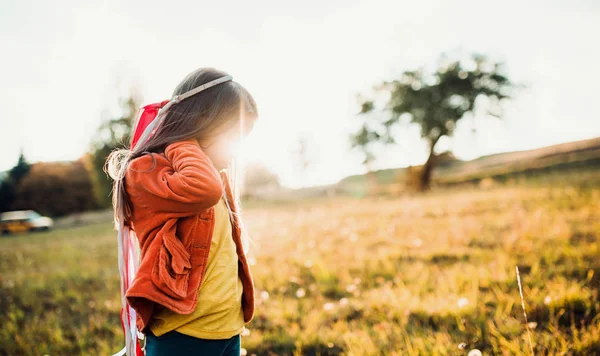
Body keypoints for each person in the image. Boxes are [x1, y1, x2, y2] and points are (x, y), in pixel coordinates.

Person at [107, 68, 257, 355]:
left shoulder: (212, 173)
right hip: (183, 334)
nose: (237, 151)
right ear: (200, 124)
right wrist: (183, 140)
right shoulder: (147, 171)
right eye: (232, 137)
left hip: (226, 328)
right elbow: (203, 188)